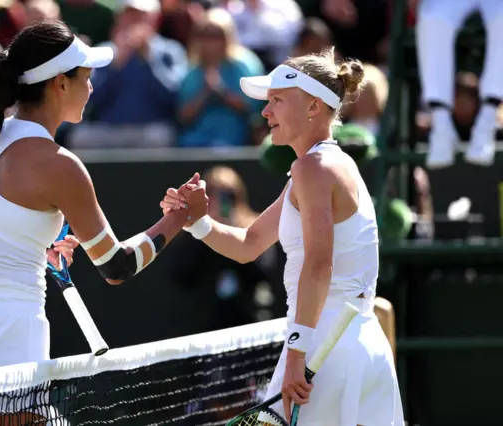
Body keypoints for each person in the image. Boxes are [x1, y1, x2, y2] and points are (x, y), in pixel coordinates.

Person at [0, 20, 206, 423]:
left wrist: (31, 248)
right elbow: (116, 265)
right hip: (9, 345)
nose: (92, 87)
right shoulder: (61, 167)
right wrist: (178, 218)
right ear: (60, 83)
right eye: (87, 78)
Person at [161, 48, 404, 425]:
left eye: (276, 100)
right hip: (358, 346)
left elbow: (319, 265)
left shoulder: (314, 168)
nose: (265, 111)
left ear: (313, 107)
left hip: (324, 351)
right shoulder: (321, 166)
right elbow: (249, 244)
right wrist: (197, 221)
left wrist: (296, 356)